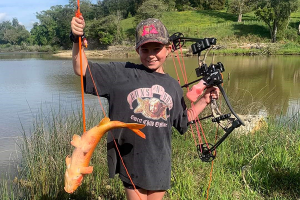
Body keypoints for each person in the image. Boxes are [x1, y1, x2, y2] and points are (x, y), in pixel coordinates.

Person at [70, 16, 219, 200]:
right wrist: (76, 38)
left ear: (168, 48)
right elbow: (81, 68)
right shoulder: (121, 73)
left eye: (157, 48)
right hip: (132, 160)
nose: (151, 54)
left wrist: (204, 100)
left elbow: (182, 120)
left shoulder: (173, 86)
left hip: (160, 162)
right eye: (145, 49)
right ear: (137, 49)